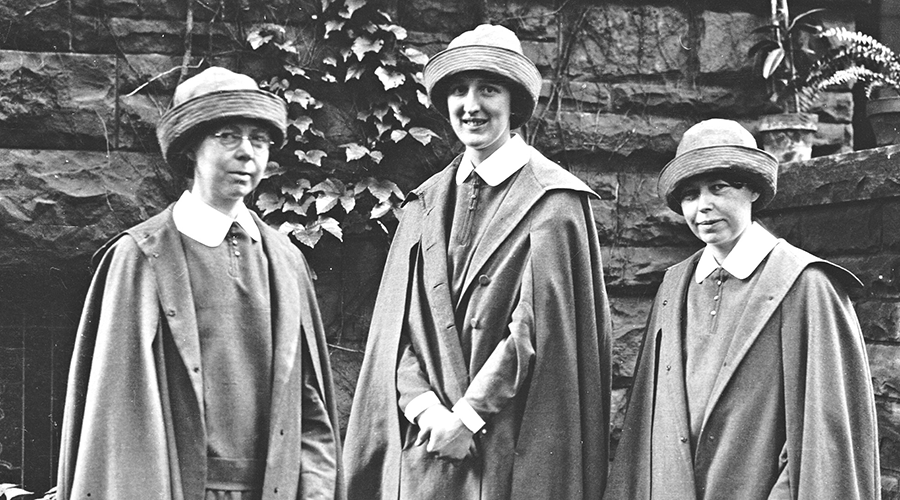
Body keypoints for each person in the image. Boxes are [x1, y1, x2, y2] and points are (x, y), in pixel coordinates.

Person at [342, 24, 612, 500]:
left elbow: (536, 330)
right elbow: (398, 328)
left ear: (515, 104)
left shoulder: (555, 202)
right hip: (423, 445)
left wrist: (466, 418)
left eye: (489, 89)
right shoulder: (423, 203)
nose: (471, 105)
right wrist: (426, 411)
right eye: (459, 90)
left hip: (511, 446)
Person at [57, 67, 342, 500]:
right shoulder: (139, 258)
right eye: (228, 135)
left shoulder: (286, 261)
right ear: (191, 147)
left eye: (259, 139)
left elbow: (309, 403)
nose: (247, 153)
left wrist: (317, 491)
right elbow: (117, 423)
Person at [605, 119, 881, 499]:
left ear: (752, 188)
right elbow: (650, 432)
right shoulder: (674, 287)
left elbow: (822, 441)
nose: (703, 207)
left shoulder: (805, 285)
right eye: (689, 194)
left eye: (718, 187)